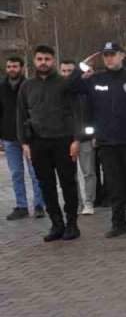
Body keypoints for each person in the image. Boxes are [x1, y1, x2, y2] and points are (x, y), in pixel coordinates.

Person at [74, 41, 126, 236]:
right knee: (114, 185)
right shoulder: (96, 79)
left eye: (112, 54)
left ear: (122, 56)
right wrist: (81, 66)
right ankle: (119, 224)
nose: (109, 58)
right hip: (107, 142)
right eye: (105, 55)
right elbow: (73, 87)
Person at [17, 45, 85, 240]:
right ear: (34, 61)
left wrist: (77, 139)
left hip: (63, 141)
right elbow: (21, 114)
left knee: (68, 184)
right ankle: (56, 224)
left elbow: (77, 113)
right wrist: (24, 143)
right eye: (40, 59)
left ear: (53, 61)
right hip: (38, 143)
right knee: (46, 185)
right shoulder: (27, 86)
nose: (43, 62)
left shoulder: (64, 84)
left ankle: (72, 224)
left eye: (47, 59)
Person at [1, 54, 45, 219]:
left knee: (35, 173)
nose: (12, 69)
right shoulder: (1, 87)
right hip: (9, 138)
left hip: (29, 137)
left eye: (15, 66)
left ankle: (39, 205)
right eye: (9, 67)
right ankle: (21, 206)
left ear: (21, 68)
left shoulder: (28, 86)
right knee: (16, 174)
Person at [61, 59, 97, 215]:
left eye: (71, 70)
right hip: (64, 138)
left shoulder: (85, 90)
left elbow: (93, 112)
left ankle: (89, 202)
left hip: (84, 136)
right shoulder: (59, 91)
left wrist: (94, 134)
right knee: (70, 174)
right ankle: (76, 203)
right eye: (64, 71)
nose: (68, 74)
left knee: (88, 172)